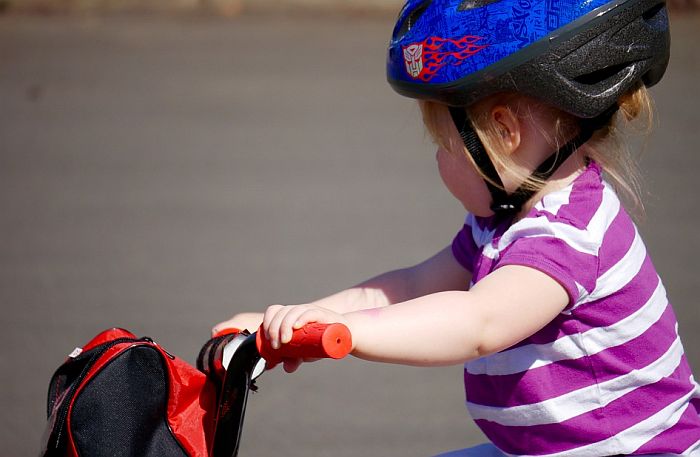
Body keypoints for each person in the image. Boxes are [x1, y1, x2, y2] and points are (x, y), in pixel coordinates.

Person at [214, 0, 700, 454]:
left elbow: (478, 323)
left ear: (504, 133)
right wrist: (292, 322)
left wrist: (347, 334)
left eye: (444, 145)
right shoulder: (504, 223)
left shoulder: (570, 235)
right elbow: (409, 286)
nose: (438, 160)